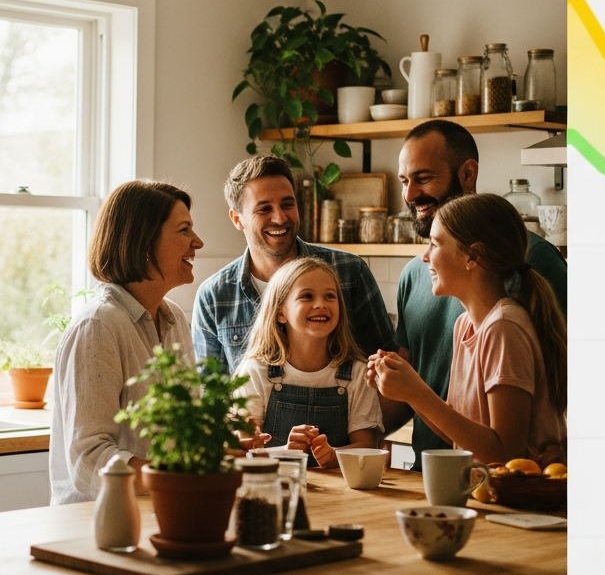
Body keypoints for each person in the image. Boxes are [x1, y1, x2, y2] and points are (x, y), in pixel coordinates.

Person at [387, 120, 567, 466]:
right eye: (404, 181)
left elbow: (505, 450)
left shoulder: (510, 312)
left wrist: (416, 392)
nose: (409, 195)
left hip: (513, 484)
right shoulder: (458, 318)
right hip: (453, 478)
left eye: (422, 178)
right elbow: (455, 423)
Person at [49, 180, 204, 504]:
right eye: (184, 230)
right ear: (144, 242)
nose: (198, 242)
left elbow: (184, 433)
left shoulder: (174, 319)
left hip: (159, 509)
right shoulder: (98, 326)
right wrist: (173, 479)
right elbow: (89, 458)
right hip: (94, 521)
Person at [192, 155, 397, 374]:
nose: (280, 218)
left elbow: (387, 364)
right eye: (264, 209)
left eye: (287, 204)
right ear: (237, 219)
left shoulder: (350, 271)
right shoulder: (213, 296)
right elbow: (211, 388)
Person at [234, 257, 382, 468]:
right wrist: (285, 452)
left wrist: (334, 456)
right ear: (280, 312)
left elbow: (366, 446)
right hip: (275, 483)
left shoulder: (358, 373)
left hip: (339, 488)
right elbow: (246, 449)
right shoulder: (256, 371)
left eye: (330, 296)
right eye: (307, 296)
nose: (321, 304)